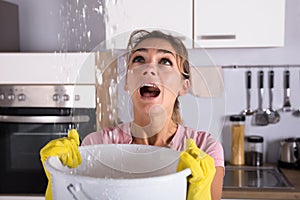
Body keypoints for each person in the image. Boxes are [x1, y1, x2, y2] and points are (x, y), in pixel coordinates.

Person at [40, 29, 224, 200]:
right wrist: (57, 179)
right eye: (139, 59)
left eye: (165, 61)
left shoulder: (204, 149)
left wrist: (199, 190)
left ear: (184, 85)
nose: (149, 69)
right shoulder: (96, 146)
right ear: (128, 81)